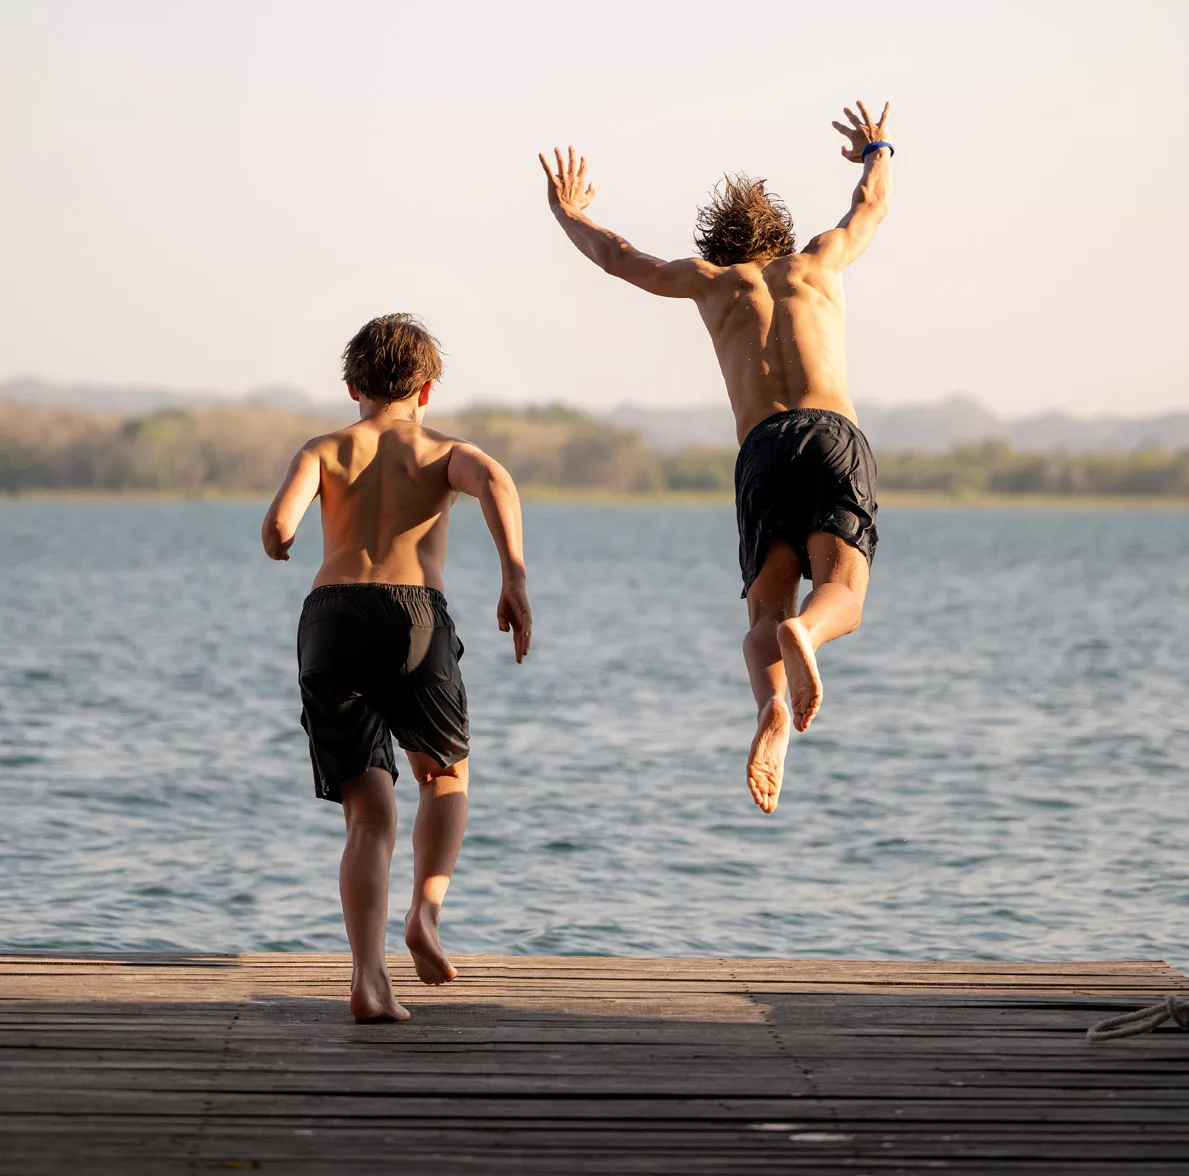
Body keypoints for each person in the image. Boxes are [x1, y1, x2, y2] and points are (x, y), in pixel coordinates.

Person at [539, 103, 892, 816]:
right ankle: (808, 634)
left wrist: (566, 211)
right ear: (782, 236)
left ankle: (770, 706)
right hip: (830, 432)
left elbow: (618, 257)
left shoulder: (708, 281)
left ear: (719, 243)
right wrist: (875, 148)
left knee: (765, 606)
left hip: (761, 448)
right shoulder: (819, 260)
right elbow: (870, 206)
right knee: (843, 592)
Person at [261, 313, 532, 1022]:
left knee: (366, 813)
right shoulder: (442, 450)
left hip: (329, 617)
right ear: (429, 388)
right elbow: (497, 481)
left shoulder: (324, 448)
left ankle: (368, 978)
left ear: (351, 385)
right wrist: (514, 579)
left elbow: (280, 527)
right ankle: (425, 913)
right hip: (414, 613)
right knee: (443, 776)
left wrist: (282, 535)